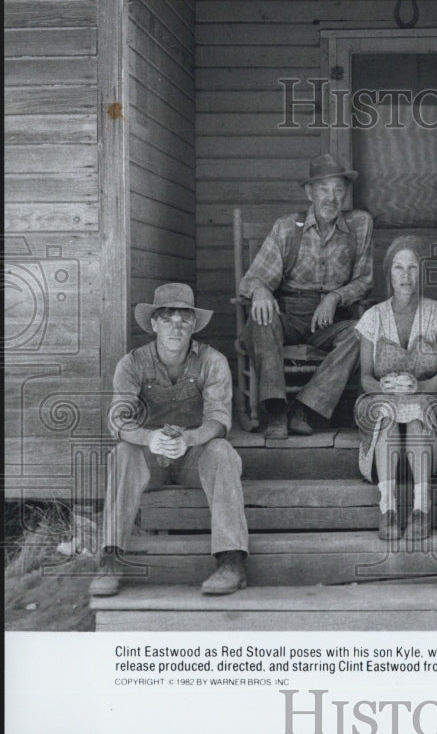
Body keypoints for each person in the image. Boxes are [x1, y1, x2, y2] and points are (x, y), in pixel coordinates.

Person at [90, 283, 249, 597]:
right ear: (153, 324)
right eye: (167, 319)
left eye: (184, 320)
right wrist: (149, 438)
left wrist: (190, 438)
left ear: (193, 325)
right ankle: (110, 558)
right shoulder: (132, 364)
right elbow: (118, 420)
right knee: (123, 452)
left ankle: (232, 561)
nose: (176, 327)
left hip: (194, 456)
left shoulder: (212, 361)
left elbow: (219, 419)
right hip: (151, 459)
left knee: (222, 451)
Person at [239, 154, 373, 438]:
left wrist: (335, 297)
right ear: (309, 193)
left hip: (331, 320)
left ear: (345, 194)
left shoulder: (358, 226)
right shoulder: (287, 227)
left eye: (338, 190)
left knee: (363, 332)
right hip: (289, 314)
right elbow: (254, 278)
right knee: (261, 320)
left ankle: (305, 409)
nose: (331, 198)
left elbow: (364, 280)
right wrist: (261, 290)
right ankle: (276, 411)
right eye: (323, 189)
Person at [354, 236, 437, 541]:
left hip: (430, 405)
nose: (405, 275)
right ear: (389, 273)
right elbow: (365, 378)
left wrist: (420, 386)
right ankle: (387, 509)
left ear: (421, 273)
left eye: (412, 268)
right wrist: (381, 386)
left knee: (415, 414)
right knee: (386, 412)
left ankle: (421, 510)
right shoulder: (373, 317)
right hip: (383, 406)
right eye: (398, 268)